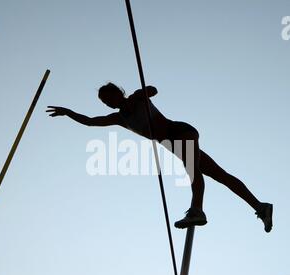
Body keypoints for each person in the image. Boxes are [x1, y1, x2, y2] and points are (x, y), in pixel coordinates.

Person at [46, 83, 273, 232]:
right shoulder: (119, 119)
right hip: (173, 143)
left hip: (180, 131)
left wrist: (140, 94)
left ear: (119, 92)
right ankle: (260, 206)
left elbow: (153, 89)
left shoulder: (138, 98)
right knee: (220, 176)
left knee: (191, 168)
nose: (108, 102)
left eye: (109, 97)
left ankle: (197, 210)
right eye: (105, 101)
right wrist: (68, 112)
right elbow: (90, 121)